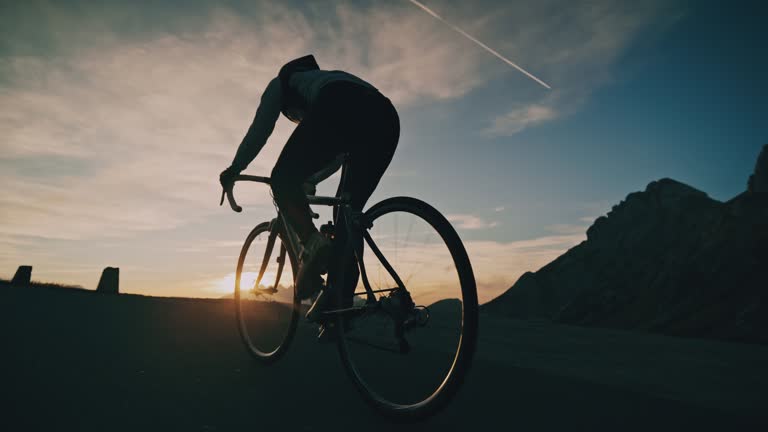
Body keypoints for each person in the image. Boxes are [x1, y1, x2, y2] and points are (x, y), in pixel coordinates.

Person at [220, 54, 400, 305]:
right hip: (385, 117)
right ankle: (339, 307)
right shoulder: (323, 79)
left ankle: (313, 244)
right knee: (347, 214)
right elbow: (335, 155)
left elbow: (260, 130)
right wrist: (308, 179)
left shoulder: (283, 82)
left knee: (281, 179)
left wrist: (234, 169)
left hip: (339, 104)